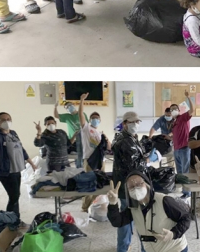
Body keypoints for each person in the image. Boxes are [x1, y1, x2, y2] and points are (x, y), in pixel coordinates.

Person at [108, 172, 190, 252]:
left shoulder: (163, 200)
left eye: (139, 184)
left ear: (147, 184)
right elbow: (117, 222)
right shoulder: (133, 207)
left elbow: (186, 218)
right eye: (131, 187)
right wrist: (113, 204)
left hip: (174, 248)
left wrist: (173, 234)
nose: (136, 188)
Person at [0, 112, 36, 222]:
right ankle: (11, 220)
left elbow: (21, 149)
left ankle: (14, 219)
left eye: (8, 119)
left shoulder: (14, 133)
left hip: (16, 168)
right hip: (4, 170)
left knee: (15, 195)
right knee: (14, 196)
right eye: (3, 120)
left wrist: (31, 163)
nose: (7, 121)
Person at [113, 111, 149, 252]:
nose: (136, 124)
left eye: (138, 122)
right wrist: (148, 160)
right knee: (137, 218)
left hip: (126, 184)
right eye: (132, 122)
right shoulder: (126, 141)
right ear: (124, 124)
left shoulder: (129, 138)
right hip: (131, 185)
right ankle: (141, 248)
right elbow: (134, 166)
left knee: (126, 217)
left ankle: (123, 247)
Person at [78, 92, 111, 212]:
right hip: (90, 161)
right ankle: (85, 207)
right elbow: (80, 115)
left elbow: (109, 147)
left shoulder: (100, 134)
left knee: (99, 185)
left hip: (101, 162)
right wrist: (82, 100)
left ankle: (94, 206)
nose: (95, 120)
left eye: (97, 118)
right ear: (90, 120)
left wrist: (106, 139)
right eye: (93, 118)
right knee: (89, 185)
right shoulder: (87, 129)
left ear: (100, 120)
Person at [170, 92, 194, 200]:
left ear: (179, 110)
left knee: (185, 171)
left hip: (184, 148)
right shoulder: (174, 123)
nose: (173, 111)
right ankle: (184, 192)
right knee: (180, 172)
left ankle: (187, 193)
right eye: (171, 110)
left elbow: (192, 110)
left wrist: (188, 97)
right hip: (176, 150)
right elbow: (176, 136)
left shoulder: (183, 117)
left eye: (175, 108)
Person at [54, 100, 88, 168]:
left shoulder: (82, 114)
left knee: (84, 158)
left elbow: (87, 126)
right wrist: (55, 107)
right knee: (77, 158)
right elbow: (56, 116)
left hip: (83, 139)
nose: (69, 107)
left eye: (70, 105)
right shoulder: (67, 117)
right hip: (73, 140)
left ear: (73, 105)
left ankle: (84, 170)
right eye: (67, 107)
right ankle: (79, 171)